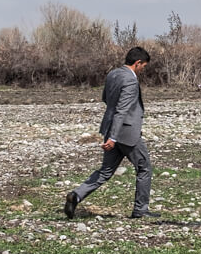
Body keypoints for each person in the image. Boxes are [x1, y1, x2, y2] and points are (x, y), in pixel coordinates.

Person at [64, 46, 158, 219]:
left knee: (106, 171)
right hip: (126, 132)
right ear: (138, 63)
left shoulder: (113, 74)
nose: (143, 70)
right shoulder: (130, 80)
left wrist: (111, 134)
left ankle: (76, 195)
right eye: (143, 66)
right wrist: (114, 137)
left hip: (110, 128)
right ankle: (140, 210)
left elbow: (106, 99)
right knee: (144, 168)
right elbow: (122, 110)